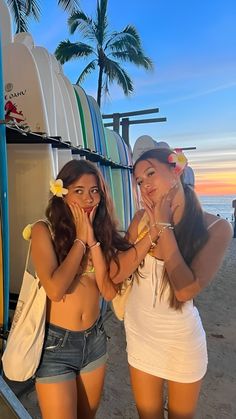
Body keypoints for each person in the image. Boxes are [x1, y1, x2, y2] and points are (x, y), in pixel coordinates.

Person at [111, 148, 232, 419]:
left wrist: (164, 225)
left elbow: (185, 289)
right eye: (139, 181)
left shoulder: (217, 229)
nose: (144, 184)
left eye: (150, 173)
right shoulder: (142, 221)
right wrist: (152, 229)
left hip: (181, 343)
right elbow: (117, 273)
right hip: (140, 337)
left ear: (175, 172)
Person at [30, 159, 131, 419]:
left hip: (95, 340)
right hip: (56, 347)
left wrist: (94, 240)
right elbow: (55, 289)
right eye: (79, 191)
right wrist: (80, 240)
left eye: (94, 190)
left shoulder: (102, 234)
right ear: (62, 194)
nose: (88, 198)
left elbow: (110, 290)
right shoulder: (44, 230)